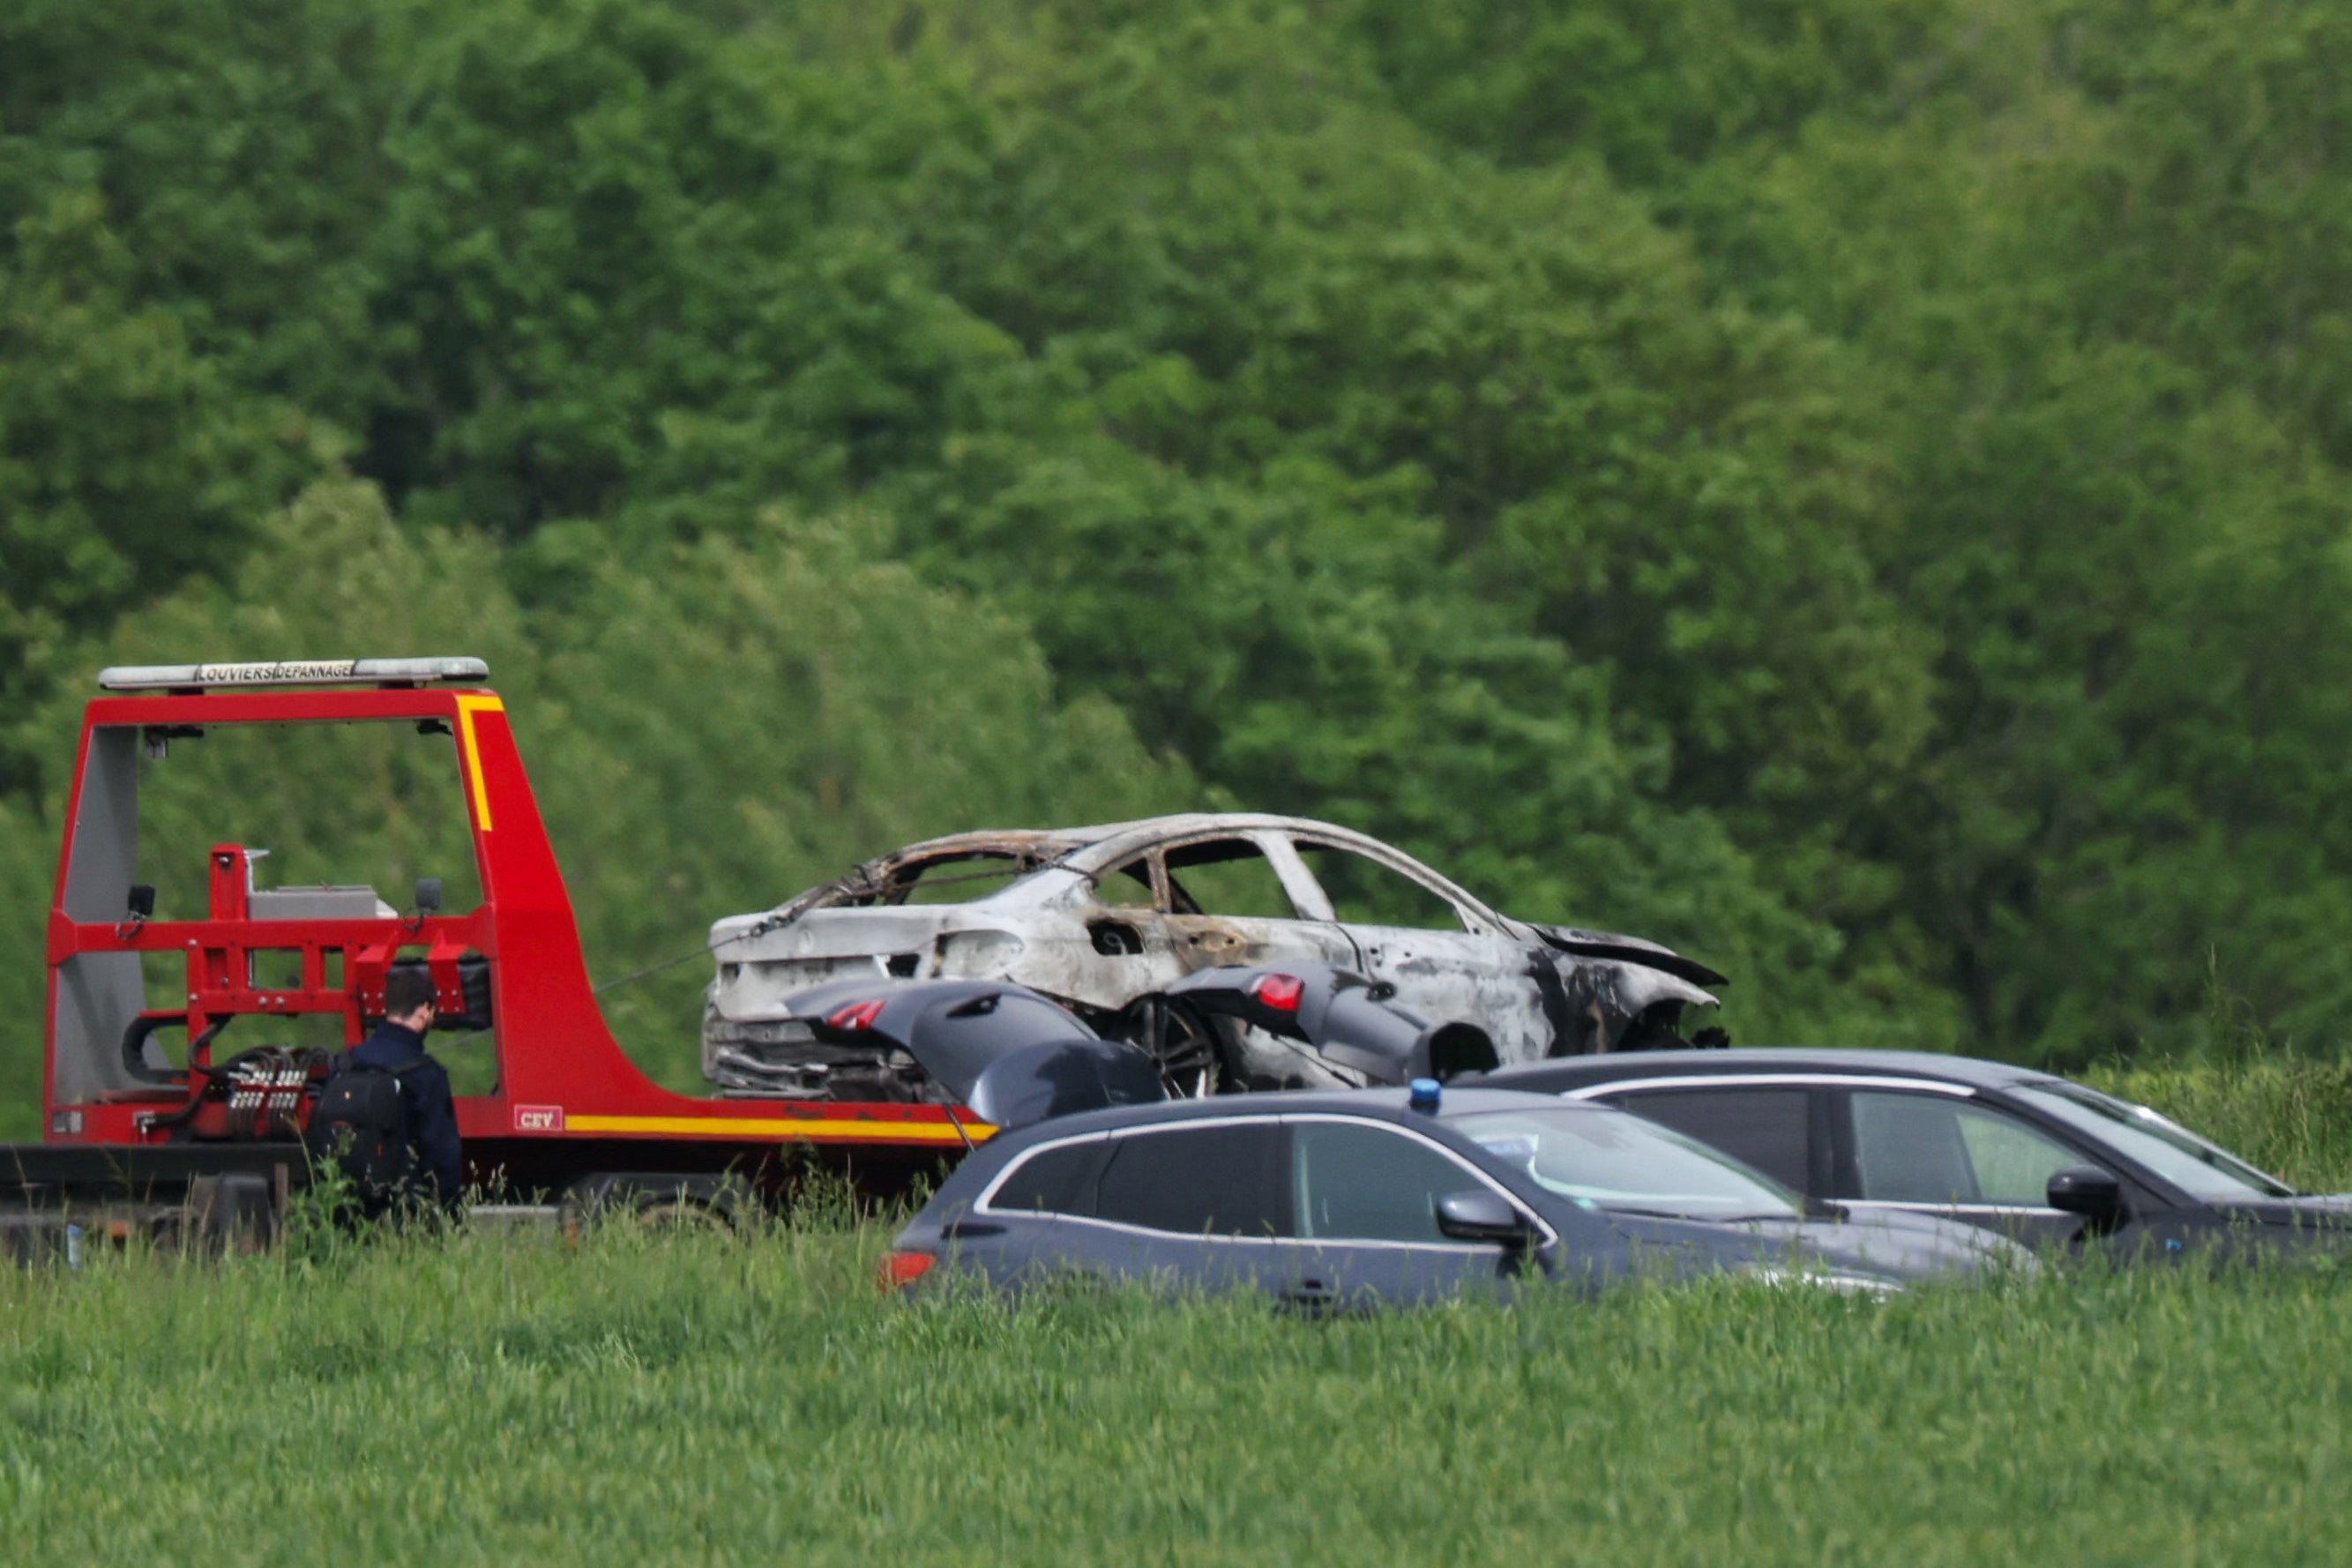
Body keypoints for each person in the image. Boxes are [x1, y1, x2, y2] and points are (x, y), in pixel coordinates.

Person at [310, 966, 464, 1218]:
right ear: (425, 1009)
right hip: (400, 1211)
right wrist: (452, 1212)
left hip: (342, 1205)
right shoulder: (427, 1074)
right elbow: (442, 1155)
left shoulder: (346, 1063)